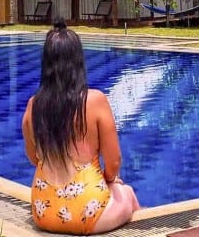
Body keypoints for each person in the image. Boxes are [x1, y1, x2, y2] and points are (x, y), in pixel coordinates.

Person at [22, 19, 139, 234]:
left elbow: (34, 158)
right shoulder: (95, 101)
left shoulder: (33, 105)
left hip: (43, 212)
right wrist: (111, 182)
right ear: (78, 61)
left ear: (46, 64)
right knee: (127, 193)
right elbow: (113, 161)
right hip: (87, 213)